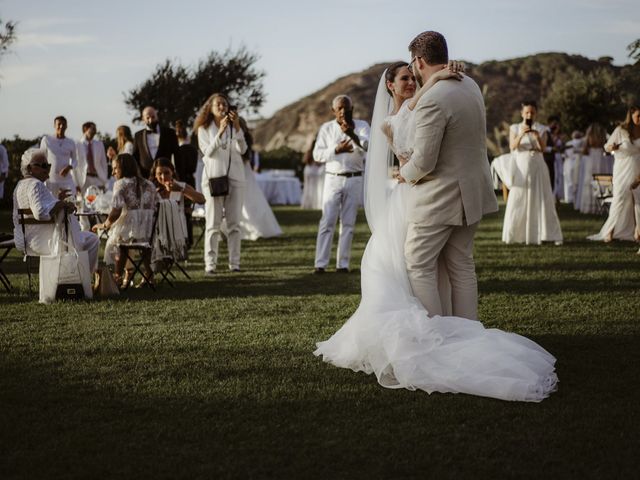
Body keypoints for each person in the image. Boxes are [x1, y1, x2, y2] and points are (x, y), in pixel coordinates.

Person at [315, 35, 558, 403]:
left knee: (419, 261)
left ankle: (437, 343)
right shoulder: (470, 84)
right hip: (473, 190)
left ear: (417, 60)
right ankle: (469, 336)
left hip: (440, 195)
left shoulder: (432, 97)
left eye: (413, 69)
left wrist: (405, 175)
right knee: (460, 263)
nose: (411, 77)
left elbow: (423, 162)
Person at [13, 148, 99, 272]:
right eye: (42, 165)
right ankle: (81, 278)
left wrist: (59, 201)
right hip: (45, 241)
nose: (46, 169)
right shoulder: (36, 185)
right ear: (30, 168)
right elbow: (40, 213)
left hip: (27, 239)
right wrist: (61, 204)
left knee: (84, 238)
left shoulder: (20, 185)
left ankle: (75, 277)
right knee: (92, 239)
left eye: (47, 165)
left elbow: (40, 206)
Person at [312, 95, 370, 273]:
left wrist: (352, 134)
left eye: (347, 107)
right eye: (340, 108)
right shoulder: (326, 128)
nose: (344, 111)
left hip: (355, 178)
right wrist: (336, 149)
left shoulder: (362, 126)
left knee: (348, 223)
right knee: (327, 221)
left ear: (352, 108)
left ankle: (342, 264)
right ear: (334, 111)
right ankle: (320, 264)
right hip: (333, 178)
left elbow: (369, 147)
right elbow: (317, 155)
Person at [194, 93, 248, 274]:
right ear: (210, 107)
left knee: (234, 224)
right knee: (213, 223)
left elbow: (243, 149)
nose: (222, 107)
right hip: (214, 180)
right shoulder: (203, 128)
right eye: (218, 104)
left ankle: (235, 264)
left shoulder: (235, 126)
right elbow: (207, 152)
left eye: (224, 104)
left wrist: (237, 126)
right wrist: (221, 131)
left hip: (236, 179)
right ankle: (210, 264)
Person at [502, 101, 563, 245]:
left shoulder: (542, 129)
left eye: (532, 112)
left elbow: (543, 148)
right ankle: (517, 234)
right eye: (527, 112)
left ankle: (544, 233)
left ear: (536, 114)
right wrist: (521, 134)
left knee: (542, 197)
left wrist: (536, 136)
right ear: (522, 113)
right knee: (518, 198)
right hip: (521, 165)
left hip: (538, 164)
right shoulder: (514, 128)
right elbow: (512, 146)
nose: (529, 115)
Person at [92, 153, 157, 288]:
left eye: (115, 168)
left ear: (124, 168)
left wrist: (104, 225)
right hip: (149, 232)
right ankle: (150, 276)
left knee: (119, 241)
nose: (113, 171)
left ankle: (118, 277)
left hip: (130, 232)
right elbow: (157, 206)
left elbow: (116, 211)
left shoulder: (121, 184)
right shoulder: (149, 184)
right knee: (142, 246)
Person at [588, 105, 640, 242]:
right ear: (631, 116)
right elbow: (607, 146)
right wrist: (612, 147)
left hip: (638, 167)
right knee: (620, 198)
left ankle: (636, 231)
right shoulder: (621, 130)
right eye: (638, 116)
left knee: (637, 200)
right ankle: (610, 230)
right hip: (623, 167)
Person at [232, 117, 283, 240]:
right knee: (251, 198)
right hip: (245, 170)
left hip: (240, 170)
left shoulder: (240, 138)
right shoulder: (246, 138)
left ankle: (249, 229)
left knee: (245, 199)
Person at [150, 157, 205, 268]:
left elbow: (201, 199)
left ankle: (153, 269)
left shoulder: (180, 186)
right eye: (159, 174)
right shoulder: (151, 189)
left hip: (177, 233)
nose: (163, 177)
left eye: (166, 173)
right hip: (155, 231)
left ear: (172, 172)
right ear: (155, 175)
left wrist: (180, 189)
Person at [132, 106, 179, 178]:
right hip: (145, 177)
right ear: (143, 119)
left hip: (165, 176)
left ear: (157, 117)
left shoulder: (170, 133)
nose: (150, 120)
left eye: (153, 117)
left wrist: (178, 175)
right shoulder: (138, 136)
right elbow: (135, 157)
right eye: (147, 118)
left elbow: (177, 155)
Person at [40, 116, 77, 196]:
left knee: (71, 201)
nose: (61, 126)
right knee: (52, 204)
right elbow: (41, 158)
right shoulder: (47, 140)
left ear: (66, 126)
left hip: (66, 180)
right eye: (59, 124)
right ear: (54, 125)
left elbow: (75, 161)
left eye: (63, 124)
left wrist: (69, 167)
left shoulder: (71, 142)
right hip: (51, 180)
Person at [575, 123, 608, 214]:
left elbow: (585, 145)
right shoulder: (603, 150)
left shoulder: (588, 148)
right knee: (601, 181)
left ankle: (590, 206)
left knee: (589, 181)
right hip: (600, 157)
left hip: (591, 157)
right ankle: (600, 206)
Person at [75, 121, 108, 196]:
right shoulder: (77, 145)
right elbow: (74, 166)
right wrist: (76, 184)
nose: (95, 131)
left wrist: (104, 179)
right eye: (93, 129)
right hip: (84, 179)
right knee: (85, 204)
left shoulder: (99, 144)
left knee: (99, 202)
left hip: (97, 178)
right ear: (86, 129)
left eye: (95, 129)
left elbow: (103, 163)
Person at [300, 137, 325, 210]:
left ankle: (307, 204)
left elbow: (305, 161)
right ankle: (314, 204)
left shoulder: (308, 151)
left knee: (307, 188)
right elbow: (319, 162)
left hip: (308, 170)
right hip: (314, 170)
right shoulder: (317, 151)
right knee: (315, 188)